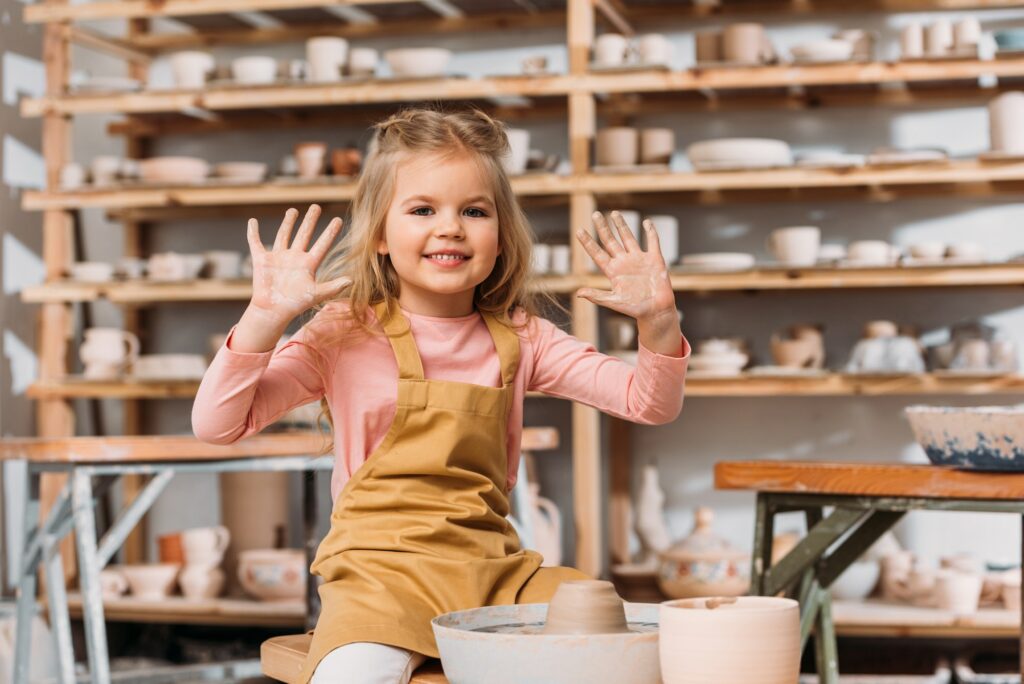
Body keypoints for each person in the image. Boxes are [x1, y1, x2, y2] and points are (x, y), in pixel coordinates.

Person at [192, 106, 690, 684]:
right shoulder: (343, 331)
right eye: (423, 209)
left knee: (607, 624)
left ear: (501, 236)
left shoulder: (522, 336)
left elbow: (648, 403)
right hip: (379, 580)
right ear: (379, 232)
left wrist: (659, 322)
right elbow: (217, 424)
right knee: (355, 675)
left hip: (492, 573)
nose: (450, 227)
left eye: (474, 211)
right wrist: (263, 318)